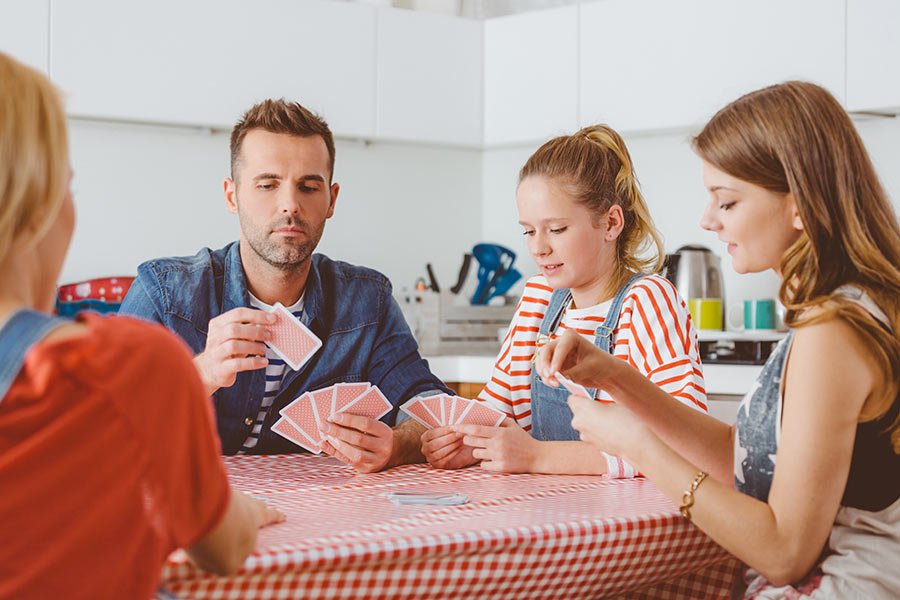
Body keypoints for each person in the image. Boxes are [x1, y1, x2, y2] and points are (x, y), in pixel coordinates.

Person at [538, 81, 900, 598]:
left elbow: (783, 553)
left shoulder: (832, 332)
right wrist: (614, 376)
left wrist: (641, 448)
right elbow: (745, 458)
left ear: (798, 205)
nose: (707, 220)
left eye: (726, 202)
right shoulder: (836, 311)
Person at [0, 53, 283, 600]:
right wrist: (240, 509)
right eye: (69, 188)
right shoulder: (130, 359)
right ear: (37, 205)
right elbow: (222, 550)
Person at [119, 98, 450, 472]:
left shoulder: (367, 301)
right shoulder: (163, 292)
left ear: (331, 200)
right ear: (232, 195)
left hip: (323, 518)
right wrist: (200, 375)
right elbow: (98, 426)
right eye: (267, 185)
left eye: (308, 187)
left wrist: (399, 446)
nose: (289, 205)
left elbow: (432, 404)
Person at [421, 125, 707, 475]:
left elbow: (683, 447)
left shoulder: (648, 301)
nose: (538, 247)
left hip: (621, 518)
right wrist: (469, 442)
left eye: (556, 229)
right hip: (541, 511)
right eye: (528, 230)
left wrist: (537, 456)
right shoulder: (538, 297)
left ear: (610, 223)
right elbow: (496, 407)